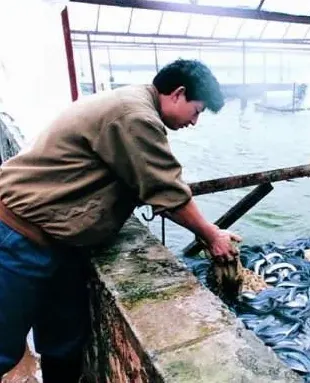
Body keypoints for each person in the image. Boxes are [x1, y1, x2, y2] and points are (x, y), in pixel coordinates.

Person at [0, 59, 241, 382]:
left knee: (64, 344)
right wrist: (212, 236)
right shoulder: (135, 115)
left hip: (63, 244)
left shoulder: (132, 103)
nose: (194, 122)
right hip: (19, 236)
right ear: (178, 94)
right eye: (196, 111)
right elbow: (166, 189)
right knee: (2, 347)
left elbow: (148, 184)